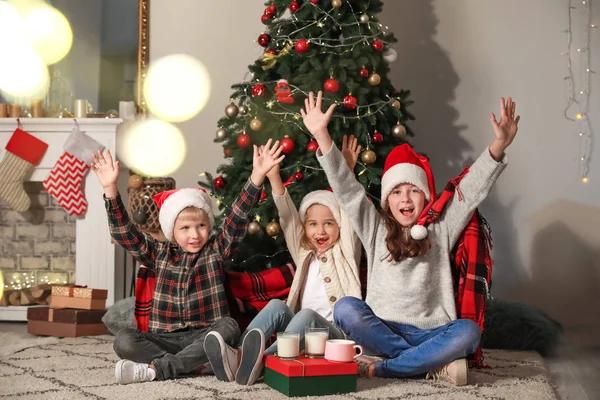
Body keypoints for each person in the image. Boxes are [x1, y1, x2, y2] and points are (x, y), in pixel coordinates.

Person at [302, 91, 520, 386]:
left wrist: (499, 144)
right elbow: (347, 189)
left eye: (413, 190)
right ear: (387, 201)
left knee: (469, 332)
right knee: (345, 309)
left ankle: (385, 368)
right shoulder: (375, 227)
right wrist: (321, 135)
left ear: (425, 196)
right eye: (396, 191)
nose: (405, 198)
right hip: (383, 328)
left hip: (433, 331)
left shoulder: (440, 227)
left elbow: (470, 191)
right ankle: (428, 363)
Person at [90, 139, 285, 384]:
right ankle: (199, 364)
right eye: (185, 228)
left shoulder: (216, 250)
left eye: (201, 226)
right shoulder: (158, 252)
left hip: (206, 334)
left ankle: (161, 369)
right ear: (172, 230)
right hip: (166, 338)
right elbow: (124, 234)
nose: (194, 235)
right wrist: (110, 189)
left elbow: (237, 218)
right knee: (124, 340)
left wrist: (257, 176)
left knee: (230, 327)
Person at [204, 138, 363, 385]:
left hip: (336, 337)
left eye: (328, 223)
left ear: (339, 226)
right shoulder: (304, 252)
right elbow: (287, 216)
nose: (320, 231)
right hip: (301, 335)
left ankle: (262, 361)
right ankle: (240, 354)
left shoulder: (345, 250)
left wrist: (347, 171)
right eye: (312, 224)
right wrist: (274, 177)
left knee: (307, 314)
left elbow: (348, 211)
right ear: (305, 228)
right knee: (278, 306)